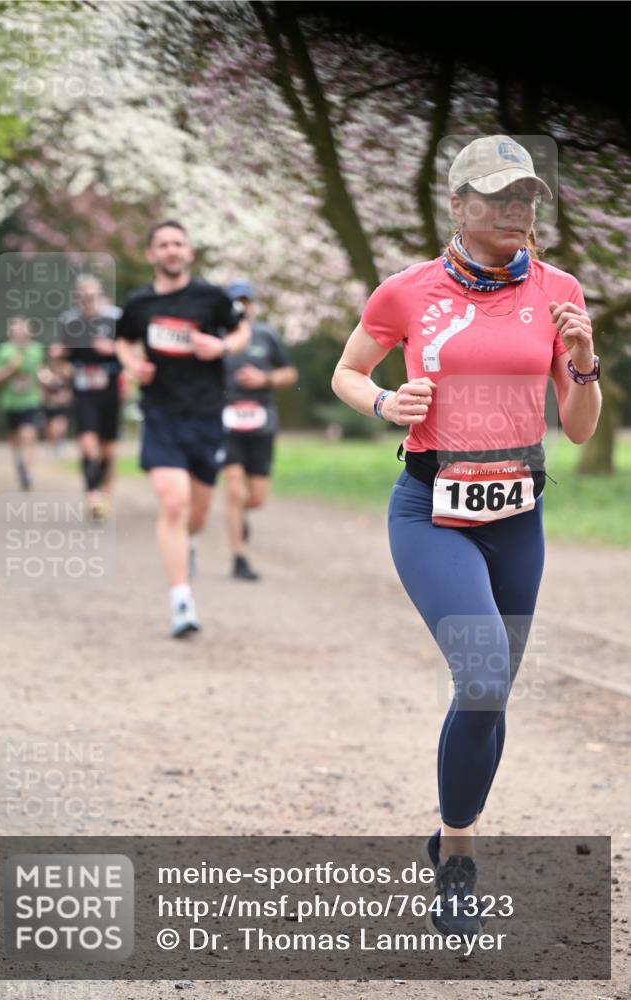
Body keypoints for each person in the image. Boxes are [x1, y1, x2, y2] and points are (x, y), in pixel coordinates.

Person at [331, 135, 601, 937]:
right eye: (498, 197)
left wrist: (582, 361)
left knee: (490, 693)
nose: (516, 211)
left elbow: (581, 429)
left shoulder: (558, 290)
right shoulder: (406, 292)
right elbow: (347, 371)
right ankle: (459, 866)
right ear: (457, 205)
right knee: (482, 673)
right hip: (431, 510)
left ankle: (452, 837)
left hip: (519, 514)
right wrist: (383, 405)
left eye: (526, 198)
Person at [116, 220, 250, 638]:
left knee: (196, 514)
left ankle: (186, 543)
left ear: (189, 252)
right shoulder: (138, 304)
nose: (172, 250)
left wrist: (222, 346)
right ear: (151, 255)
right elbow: (122, 341)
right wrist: (132, 365)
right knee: (172, 503)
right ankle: (181, 602)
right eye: (163, 245)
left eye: (178, 243)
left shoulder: (211, 298)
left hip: (206, 416)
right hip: (160, 414)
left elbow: (241, 330)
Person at [221, 281, 298, 580]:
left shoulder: (267, 335)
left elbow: (289, 373)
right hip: (224, 420)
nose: (240, 307)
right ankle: (239, 556)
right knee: (232, 485)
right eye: (234, 301)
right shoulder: (216, 336)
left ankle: (241, 515)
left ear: (252, 304)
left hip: (261, 421)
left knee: (256, 498)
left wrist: (263, 379)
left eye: (244, 301)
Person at [57, 275, 122, 518]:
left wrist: (113, 348)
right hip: (83, 389)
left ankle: (105, 492)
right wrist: (60, 355)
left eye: (92, 296)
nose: (87, 301)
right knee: (86, 443)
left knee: (108, 450)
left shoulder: (115, 318)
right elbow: (63, 356)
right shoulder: (69, 321)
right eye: (83, 297)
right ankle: (92, 493)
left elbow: (132, 349)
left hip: (110, 388)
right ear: (77, 298)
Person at [0, 317, 45, 490]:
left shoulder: (37, 350)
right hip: (10, 403)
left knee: (28, 435)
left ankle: (28, 472)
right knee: (15, 440)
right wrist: (10, 368)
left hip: (31, 401)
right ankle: (20, 464)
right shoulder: (3, 351)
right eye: (17, 330)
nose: (21, 333)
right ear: (10, 333)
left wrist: (47, 380)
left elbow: (40, 373)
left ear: (30, 332)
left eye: (24, 329)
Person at [40, 345, 73, 455]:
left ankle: (60, 442)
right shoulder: (45, 369)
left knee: (60, 423)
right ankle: (53, 444)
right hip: (49, 402)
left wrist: (66, 395)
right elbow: (43, 385)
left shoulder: (67, 367)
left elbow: (69, 384)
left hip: (63, 402)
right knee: (50, 425)